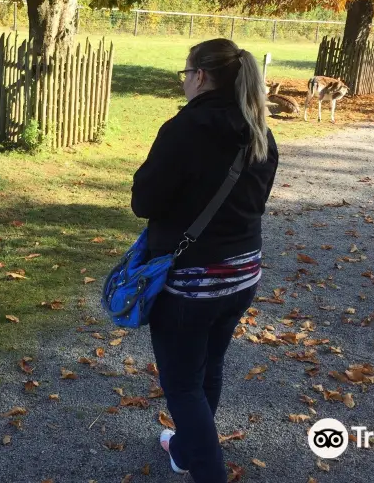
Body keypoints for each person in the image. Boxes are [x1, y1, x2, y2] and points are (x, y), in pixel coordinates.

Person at [131, 38, 278, 482]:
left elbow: (144, 200)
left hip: (192, 282)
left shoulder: (183, 129)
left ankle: (206, 470)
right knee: (208, 368)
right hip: (242, 275)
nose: (184, 83)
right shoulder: (259, 131)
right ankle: (183, 449)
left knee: (182, 386)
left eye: (185, 75)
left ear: (199, 76)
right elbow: (256, 202)